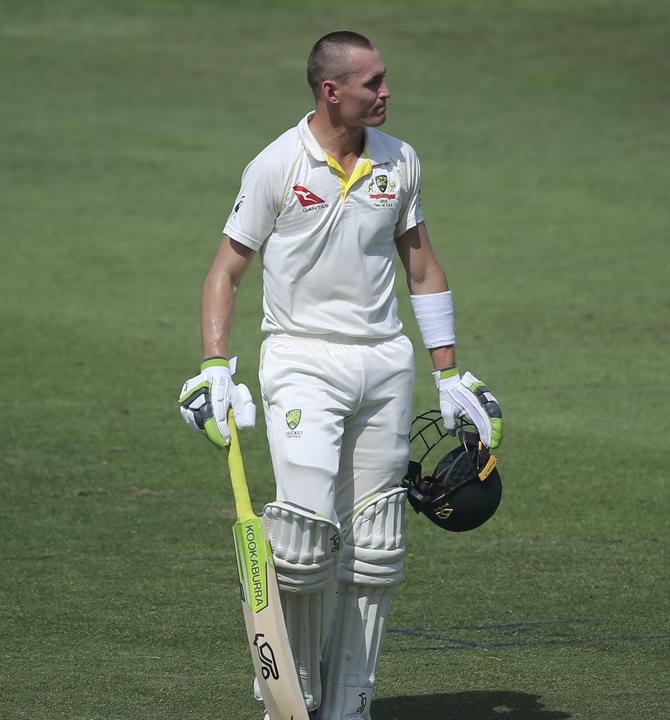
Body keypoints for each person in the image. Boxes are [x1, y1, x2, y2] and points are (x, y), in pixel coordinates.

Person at [177, 31, 502, 720]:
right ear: (332, 91)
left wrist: (449, 372)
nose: (386, 93)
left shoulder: (400, 160)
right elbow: (227, 270)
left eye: (385, 80)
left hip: (384, 363)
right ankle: (290, 703)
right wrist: (212, 367)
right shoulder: (277, 164)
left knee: (377, 542)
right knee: (298, 542)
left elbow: (421, 264)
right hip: (302, 360)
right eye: (372, 83)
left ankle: (349, 706)